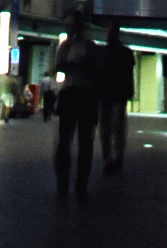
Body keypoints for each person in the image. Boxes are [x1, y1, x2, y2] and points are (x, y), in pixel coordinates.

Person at [53, 15, 102, 200]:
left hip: (81, 95)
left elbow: (96, 69)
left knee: (80, 141)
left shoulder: (89, 47)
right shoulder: (66, 46)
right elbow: (59, 66)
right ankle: (68, 182)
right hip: (76, 94)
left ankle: (77, 183)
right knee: (71, 141)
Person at [98, 19, 135, 174]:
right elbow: (129, 75)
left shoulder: (103, 52)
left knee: (106, 128)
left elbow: (98, 73)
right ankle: (116, 158)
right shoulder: (126, 53)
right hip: (118, 94)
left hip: (107, 93)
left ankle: (109, 158)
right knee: (116, 128)